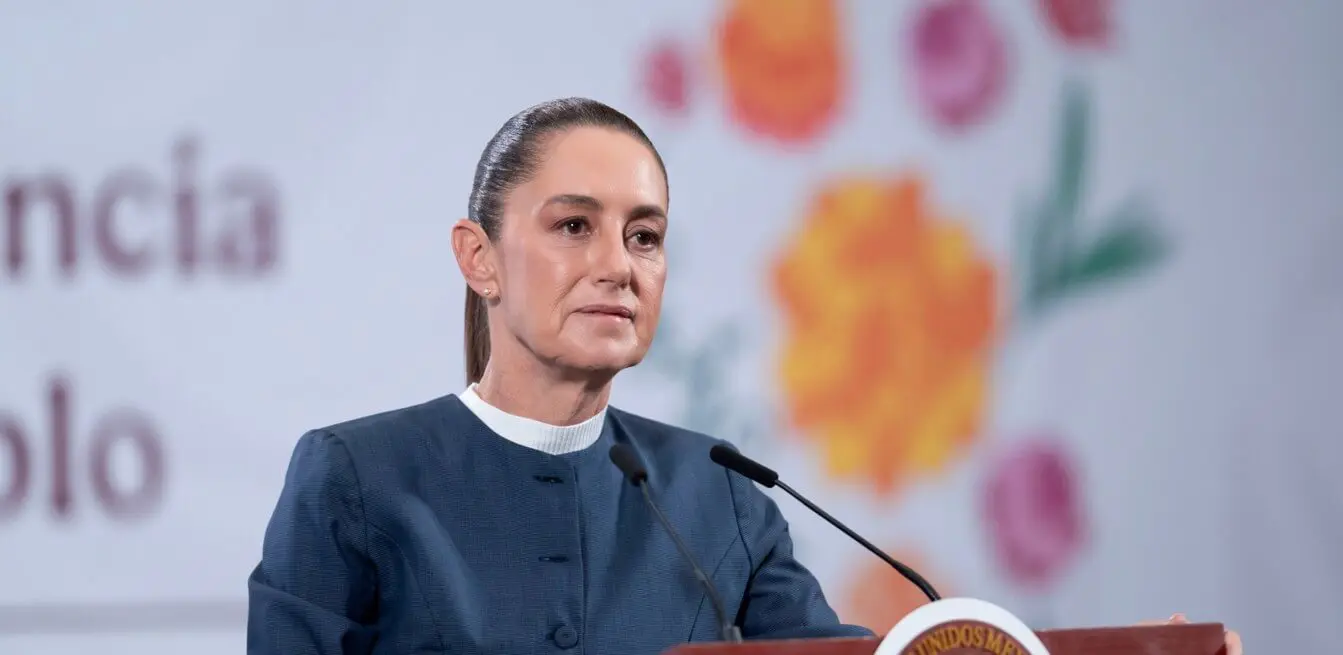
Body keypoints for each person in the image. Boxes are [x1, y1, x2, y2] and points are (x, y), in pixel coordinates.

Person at [245, 97, 1244, 655]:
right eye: (573, 226)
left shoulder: (718, 494)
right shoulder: (354, 480)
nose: (617, 265)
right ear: (478, 257)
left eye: (645, 235)